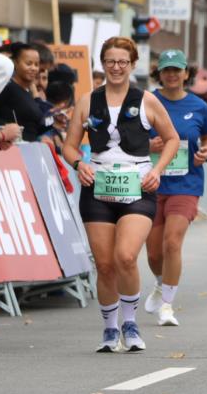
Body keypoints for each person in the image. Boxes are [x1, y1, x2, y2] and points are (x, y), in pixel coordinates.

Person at [62, 37, 180, 354]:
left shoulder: (148, 101)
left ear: (133, 65)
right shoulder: (87, 101)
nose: (116, 68)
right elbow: (69, 144)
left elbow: (172, 139)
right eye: (111, 62)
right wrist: (78, 164)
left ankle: (130, 322)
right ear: (103, 63)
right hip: (98, 186)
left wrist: (158, 171)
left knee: (125, 256)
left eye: (122, 62)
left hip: (137, 186)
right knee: (104, 265)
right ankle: (110, 328)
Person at [143, 49, 207, 327]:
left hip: (186, 183)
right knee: (153, 252)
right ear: (159, 73)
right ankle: (162, 283)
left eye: (177, 69)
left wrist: (206, 152)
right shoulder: (147, 102)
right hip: (152, 182)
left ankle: (167, 306)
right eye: (167, 70)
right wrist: (147, 146)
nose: (172, 75)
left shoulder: (198, 106)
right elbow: (130, 138)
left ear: (187, 73)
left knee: (172, 242)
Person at [0, 42, 46, 141]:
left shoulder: (30, 93)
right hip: (12, 149)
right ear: (15, 63)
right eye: (28, 63)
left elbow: (35, 126)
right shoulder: (6, 87)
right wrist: (7, 129)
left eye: (36, 64)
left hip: (31, 150)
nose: (34, 68)